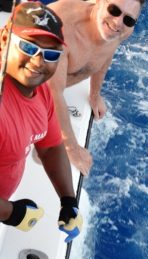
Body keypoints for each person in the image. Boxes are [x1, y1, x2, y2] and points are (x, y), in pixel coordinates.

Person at [0, 2, 82, 243]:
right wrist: (11, 213)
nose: (38, 61)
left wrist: (68, 200)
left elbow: (50, 147)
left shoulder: (40, 91)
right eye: (28, 46)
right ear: (5, 38)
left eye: (51, 54)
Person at [49, 0, 145, 175]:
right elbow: (51, 93)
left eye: (129, 19)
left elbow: (106, 54)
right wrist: (72, 148)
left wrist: (95, 95)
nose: (118, 22)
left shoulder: (122, 29)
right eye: (114, 10)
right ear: (100, 1)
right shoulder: (60, 27)